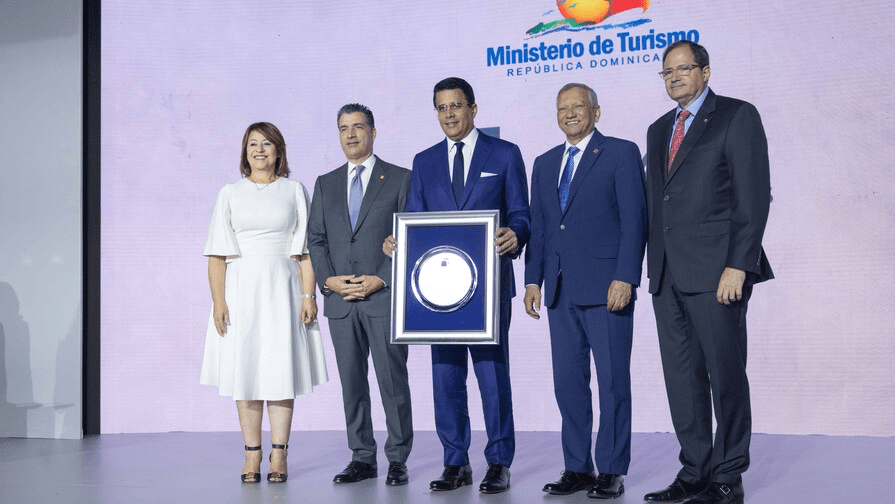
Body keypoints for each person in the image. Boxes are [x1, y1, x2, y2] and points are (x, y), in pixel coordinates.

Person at [383, 77, 530, 494]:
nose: (449, 114)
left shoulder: (504, 154)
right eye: (441, 107)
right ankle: (455, 461)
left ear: (473, 109)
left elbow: (521, 213)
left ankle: (498, 461)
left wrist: (516, 233)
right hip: (438, 295)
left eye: (456, 106)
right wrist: (397, 242)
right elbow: (415, 220)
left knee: (492, 377)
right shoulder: (424, 161)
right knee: (445, 378)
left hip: (488, 290)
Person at [643, 40, 773, 504]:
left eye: (684, 68)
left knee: (725, 375)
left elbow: (753, 198)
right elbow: (658, 202)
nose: (675, 77)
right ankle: (694, 471)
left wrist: (738, 265)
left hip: (719, 272)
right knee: (682, 379)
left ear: (705, 71)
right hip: (666, 275)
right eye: (667, 72)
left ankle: (728, 475)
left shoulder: (737, 115)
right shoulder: (659, 129)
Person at [523, 83, 647, 499]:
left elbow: (634, 221)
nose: (570, 113)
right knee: (568, 385)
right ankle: (577, 467)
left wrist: (626, 277)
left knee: (612, 383)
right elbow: (541, 227)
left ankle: (611, 469)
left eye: (578, 106)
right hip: (559, 291)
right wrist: (533, 280)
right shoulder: (544, 163)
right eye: (563, 108)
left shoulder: (620, 153)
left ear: (597, 111)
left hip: (607, 288)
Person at [200, 122, 328, 484]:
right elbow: (217, 256)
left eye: (267, 144)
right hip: (241, 292)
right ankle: (252, 455)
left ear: (278, 151)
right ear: (245, 152)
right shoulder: (230, 193)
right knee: (246, 371)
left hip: (284, 290)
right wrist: (218, 302)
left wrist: (308, 296)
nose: (259, 149)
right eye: (253, 144)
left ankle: (279, 454)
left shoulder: (293, 190)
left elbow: (306, 250)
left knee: (280, 370)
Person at [307, 104, 414, 486]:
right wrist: (328, 281)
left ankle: (398, 459)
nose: (350, 134)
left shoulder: (400, 179)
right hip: (340, 301)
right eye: (343, 128)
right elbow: (316, 239)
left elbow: (409, 236)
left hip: (382, 298)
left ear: (373, 131)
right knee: (352, 384)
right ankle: (362, 457)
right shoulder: (325, 183)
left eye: (357, 127)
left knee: (392, 382)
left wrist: (381, 279)